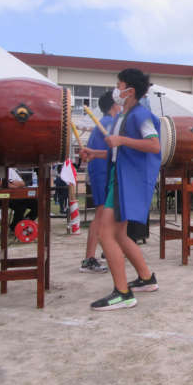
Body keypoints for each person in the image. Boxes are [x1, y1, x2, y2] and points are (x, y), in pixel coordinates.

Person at [80, 68, 160, 310]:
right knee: (119, 235)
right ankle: (146, 277)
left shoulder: (141, 116)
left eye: (119, 84)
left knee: (106, 234)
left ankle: (122, 293)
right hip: (119, 178)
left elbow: (154, 145)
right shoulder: (121, 118)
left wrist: (121, 140)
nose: (117, 89)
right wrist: (96, 153)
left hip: (129, 181)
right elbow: (119, 151)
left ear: (130, 91)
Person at [80, 91, 119, 273]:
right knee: (101, 213)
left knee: (106, 214)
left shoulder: (103, 124)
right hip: (102, 171)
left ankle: (106, 249)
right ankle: (89, 258)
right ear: (113, 106)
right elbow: (113, 153)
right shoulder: (109, 123)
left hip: (100, 170)